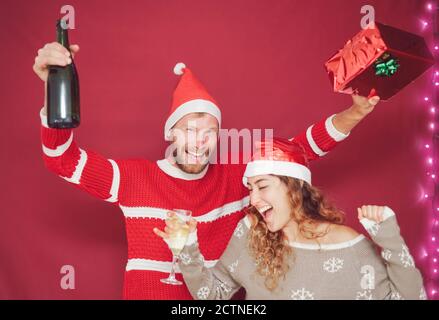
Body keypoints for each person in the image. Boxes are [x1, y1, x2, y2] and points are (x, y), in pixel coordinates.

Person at [34, 42, 380, 299]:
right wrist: (53, 91)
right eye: (188, 128)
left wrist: (355, 113)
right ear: (170, 132)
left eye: (209, 131)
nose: (198, 141)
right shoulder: (132, 179)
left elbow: (299, 148)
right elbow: (62, 160)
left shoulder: (237, 177)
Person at [156, 137, 426, 300]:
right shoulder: (250, 231)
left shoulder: (349, 246)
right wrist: (187, 249)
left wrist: (391, 241)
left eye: (262, 186)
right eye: (250, 189)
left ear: (294, 187)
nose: (253, 199)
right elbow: (212, 295)